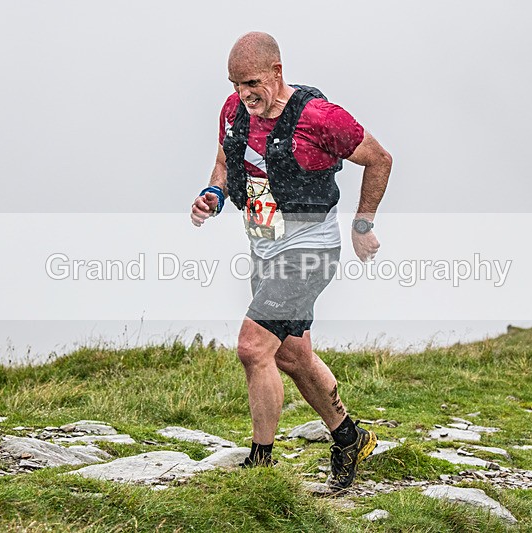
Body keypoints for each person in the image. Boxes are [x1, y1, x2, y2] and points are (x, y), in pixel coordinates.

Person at [190, 32, 392, 491]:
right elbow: (225, 160)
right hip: (264, 244)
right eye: (236, 84)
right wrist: (213, 194)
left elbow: (380, 159)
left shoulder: (319, 118)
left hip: (310, 249)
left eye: (252, 83)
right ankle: (350, 437)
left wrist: (362, 225)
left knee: (253, 346)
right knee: (293, 354)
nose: (244, 94)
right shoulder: (233, 111)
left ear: (277, 72)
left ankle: (261, 467)